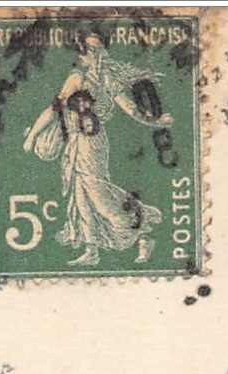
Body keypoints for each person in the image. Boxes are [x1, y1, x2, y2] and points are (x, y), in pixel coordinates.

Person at [23, 34, 173, 266]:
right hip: (74, 142)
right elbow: (55, 108)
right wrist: (33, 135)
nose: (85, 55)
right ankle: (91, 249)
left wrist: (157, 121)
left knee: (97, 193)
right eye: (85, 50)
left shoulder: (108, 80)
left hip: (92, 142)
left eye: (90, 50)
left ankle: (142, 234)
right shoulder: (76, 77)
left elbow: (132, 109)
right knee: (81, 196)